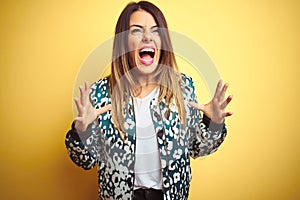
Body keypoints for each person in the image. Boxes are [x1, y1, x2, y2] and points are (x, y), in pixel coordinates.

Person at [65, 1, 233, 200]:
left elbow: (198, 148)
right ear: (123, 42)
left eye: (156, 31)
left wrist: (213, 123)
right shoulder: (101, 93)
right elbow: (85, 161)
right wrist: (81, 131)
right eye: (136, 31)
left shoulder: (182, 88)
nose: (147, 37)